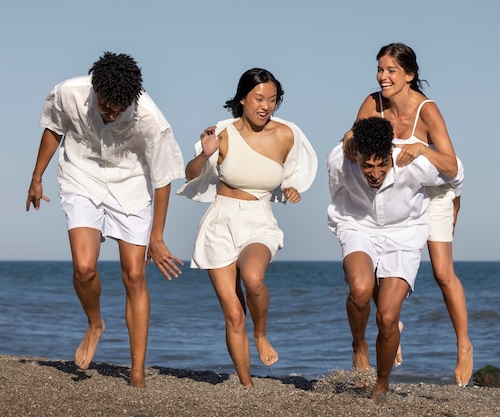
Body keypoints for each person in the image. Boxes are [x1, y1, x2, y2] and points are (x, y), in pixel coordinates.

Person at [25, 52, 185, 388]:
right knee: (84, 267)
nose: (110, 114)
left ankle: (137, 372)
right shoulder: (69, 93)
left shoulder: (151, 119)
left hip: (130, 185)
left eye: (118, 109)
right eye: (105, 106)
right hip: (81, 176)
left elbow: (163, 178)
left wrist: (157, 237)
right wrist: (36, 177)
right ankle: (95, 323)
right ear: (95, 89)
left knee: (135, 274)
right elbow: (54, 129)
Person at [343, 42, 473, 387]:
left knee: (443, 273)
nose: (382, 77)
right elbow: (357, 137)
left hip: (436, 188)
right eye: (380, 69)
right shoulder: (373, 103)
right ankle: (392, 323)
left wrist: (421, 148)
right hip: (399, 190)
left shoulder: (426, 110)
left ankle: (463, 345)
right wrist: (348, 136)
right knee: (373, 256)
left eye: (391, 71)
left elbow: (450, 163)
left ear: (410, 75)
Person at [177, 68, 317, 387]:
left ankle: (261, 332)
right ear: (243, 99)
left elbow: (294, 172)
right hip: (220, 222)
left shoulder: (286, 134)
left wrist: (291, 188)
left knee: (253, 279)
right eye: (259, 98)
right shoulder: (222, 132)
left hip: (260, 219)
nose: (266, 105)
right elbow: (190, 173)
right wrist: (206, 154)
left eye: (272, 99)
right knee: (233, 313)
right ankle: (246, 384)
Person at [328, 116, 464, 401]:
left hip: (404, 235)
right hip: (359, 227)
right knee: (361, 289)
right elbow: (337, 191)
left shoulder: (411, 162)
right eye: (367, 165)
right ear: (357, 155)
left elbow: (455, 173)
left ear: (390, 154)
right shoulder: (340, 158)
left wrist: (455, 204)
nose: (375, 173)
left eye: (382, 164)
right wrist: (345, 225)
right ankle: (359, 345)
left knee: (388, 317)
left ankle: (382, 382)